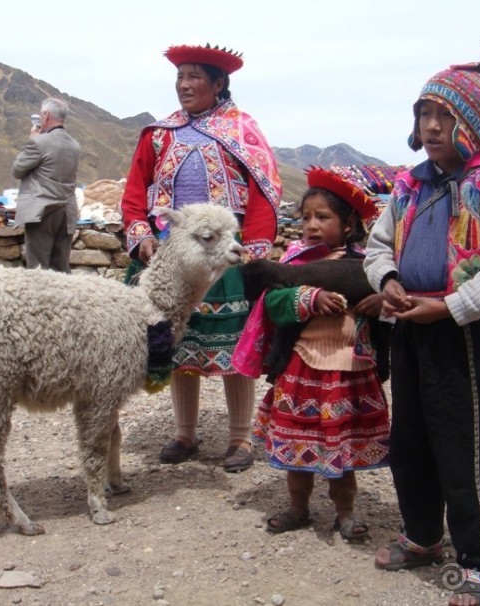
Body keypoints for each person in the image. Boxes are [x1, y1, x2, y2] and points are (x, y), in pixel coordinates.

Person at [363, 62, 480, 606]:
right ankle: (423, 536)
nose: (432, 126)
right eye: (424, 113)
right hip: (409, 330)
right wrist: (387, 279)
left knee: (466, 446)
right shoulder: (409, 184)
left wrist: (450, 306)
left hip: (461, 334)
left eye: (445, 115)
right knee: (410, 439)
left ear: (472, 124)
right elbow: (376, 246)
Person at [121, 43, 280, 472]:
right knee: (178, 341)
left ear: (218, 83)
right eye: (180, 77)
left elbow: (264, 193)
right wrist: (141, 236)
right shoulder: (160, 134)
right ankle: (184, 433)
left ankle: (241, 438)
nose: (185, 85)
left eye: (194, 77)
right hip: (174, 257)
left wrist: (256, 252)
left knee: (234, 347)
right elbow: (136, 192)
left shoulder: (242, 131)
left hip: (225, 258)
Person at [237, 167, 389, 538]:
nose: (311, 225)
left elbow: (391, 304)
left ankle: (345, 511)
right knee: (297, 443)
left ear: (349, 221)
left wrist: (379, 303)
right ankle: (298, 507)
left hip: (349, 367)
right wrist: (308, 298)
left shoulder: (369, 265)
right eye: (306, 217)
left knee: (344, 444)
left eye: (323, 217)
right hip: (302, 366)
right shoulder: (294, 263)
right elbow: (272, 303)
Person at [13, 97, 80, 272]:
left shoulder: (39, 142)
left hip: (43, 211)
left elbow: (18, 169)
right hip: (67, 211)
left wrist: (32, 139)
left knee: (38, 268)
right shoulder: (74, 145)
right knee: (61, 266)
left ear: (46, 115)